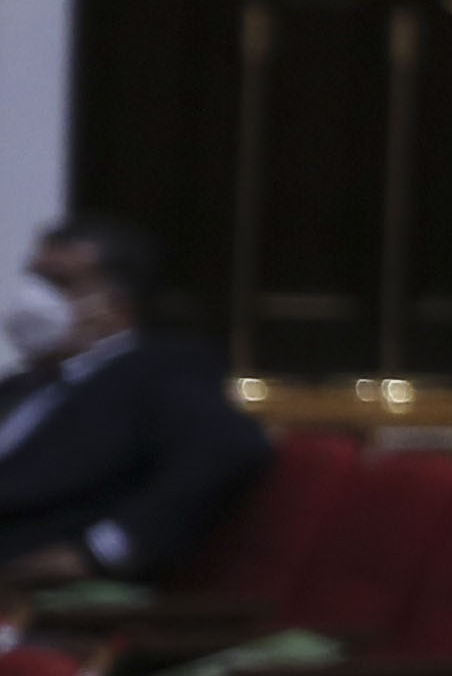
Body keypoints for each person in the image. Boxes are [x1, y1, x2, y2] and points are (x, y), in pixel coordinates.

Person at [0, 219, 272, 586]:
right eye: (34, 280)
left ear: (117, 303)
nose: (32, 299)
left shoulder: (160, 372)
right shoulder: (24, 384)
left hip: (31, 584)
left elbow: (231, 446)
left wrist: (103, 549)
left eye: (59, 283)